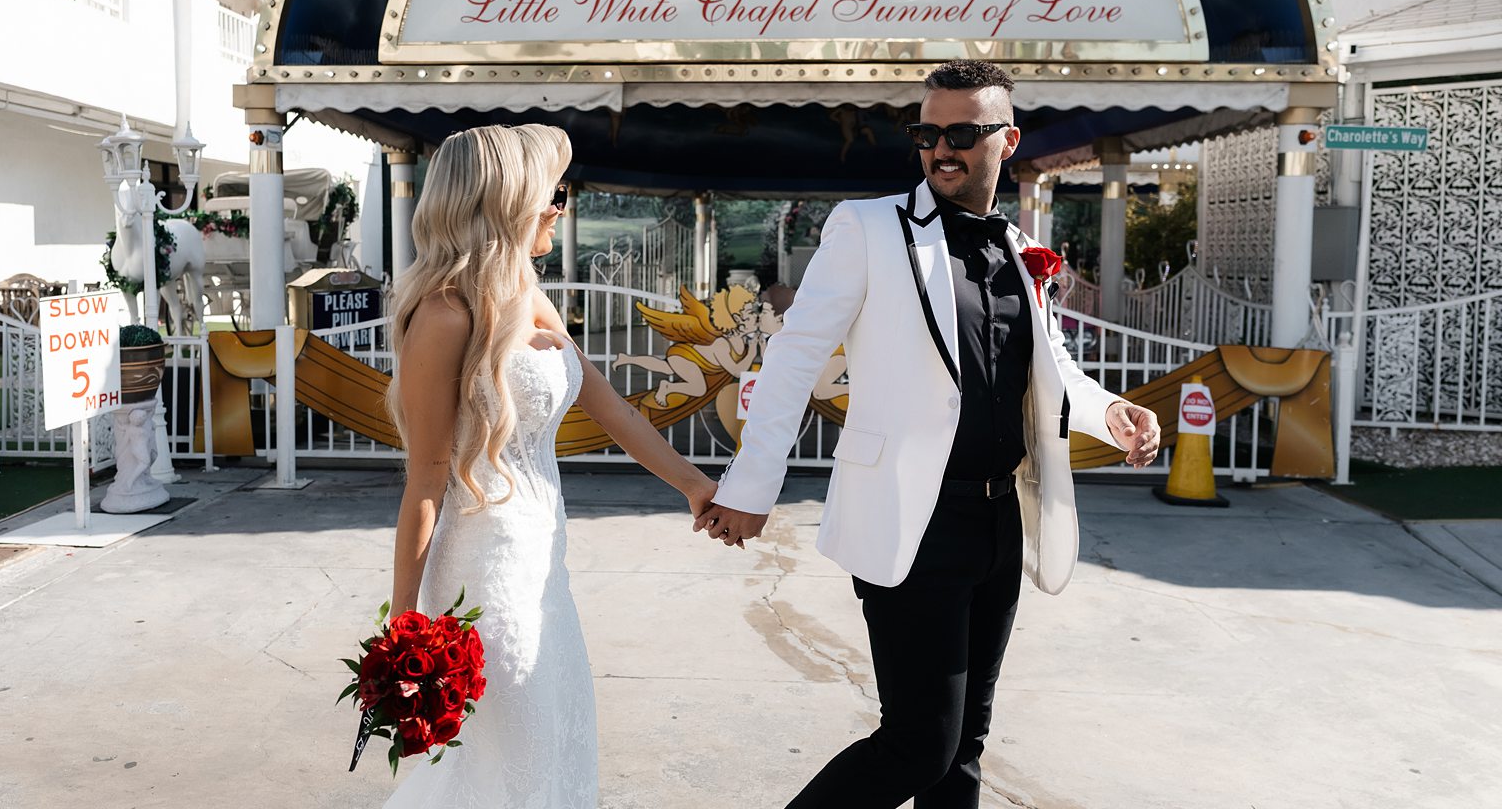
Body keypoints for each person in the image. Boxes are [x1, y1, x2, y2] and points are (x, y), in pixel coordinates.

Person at [696, 60, 1162, 809]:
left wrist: (1111, 409)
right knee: (918, 743)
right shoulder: (869, 228)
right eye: (928, 132)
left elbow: (1050, 365)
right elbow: (793, 358)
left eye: (963, 133)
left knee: (964, 746)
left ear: (1007, 140)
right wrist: (753, 487)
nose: (942, 149)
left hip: (1000, 519)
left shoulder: (1018, 248)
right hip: (912, 520)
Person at [381, 124, 717, 808]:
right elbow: (424, 481)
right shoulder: (443, 318)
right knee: (510, 761)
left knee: (559, 743)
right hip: (482, 574)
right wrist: (404, 620)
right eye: (550, 193)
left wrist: (697, 486)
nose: (561, 206)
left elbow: (613, 410)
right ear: (502, 202)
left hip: (544, 568)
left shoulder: (527, 293)